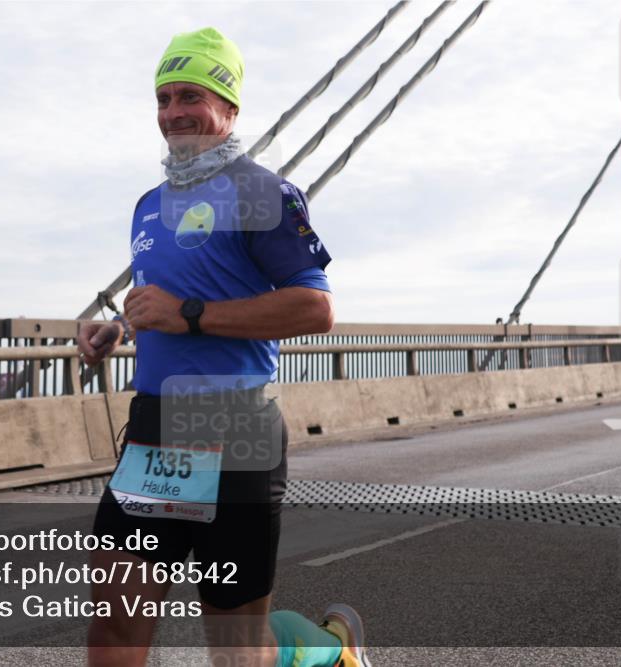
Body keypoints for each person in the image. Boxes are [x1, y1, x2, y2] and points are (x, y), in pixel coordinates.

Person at [77, 27, 371, 667]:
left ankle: (323, 652)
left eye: (191, 95)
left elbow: (315, 308)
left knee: (237, 650)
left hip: (236, 428)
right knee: (116, 627)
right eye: (162, 98)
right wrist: (123, 328)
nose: (173, 112)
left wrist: (188, 315)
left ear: (229, 108)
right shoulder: (148, 206)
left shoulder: (263, 193)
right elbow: (171, 294)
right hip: (158, 430)